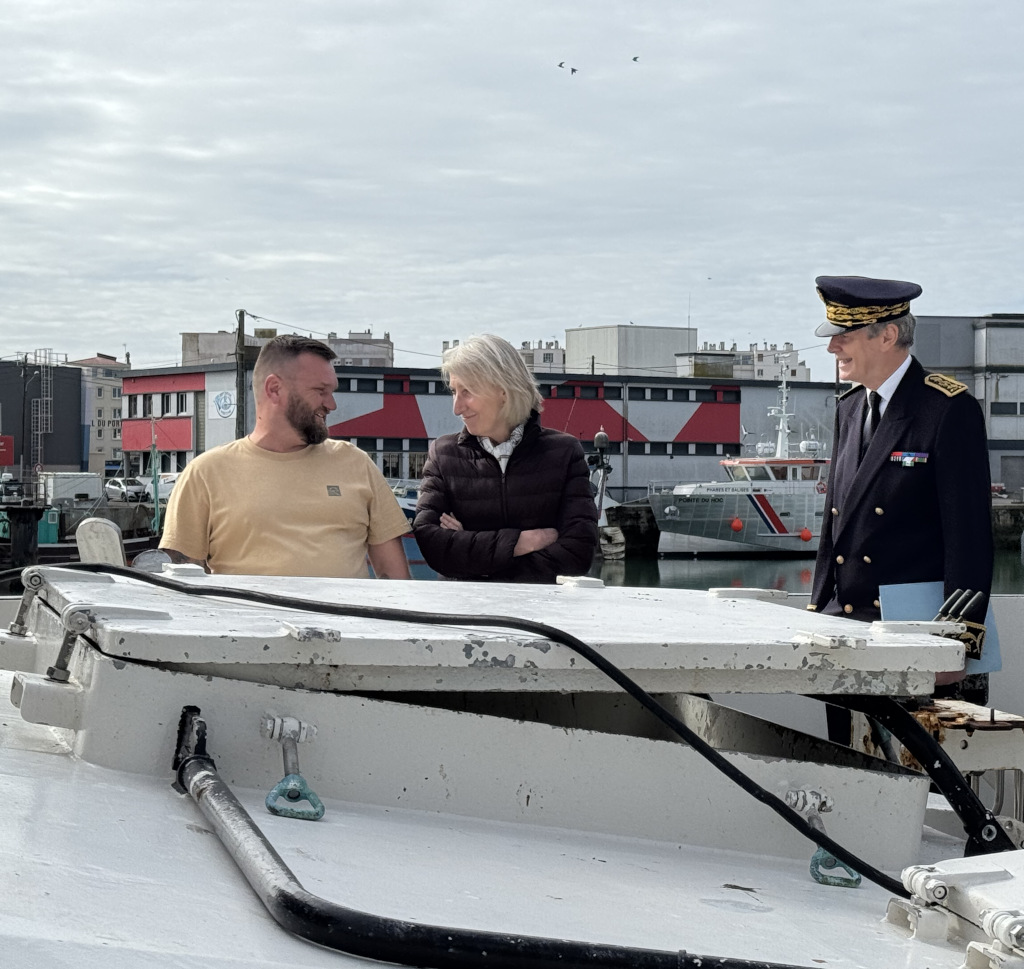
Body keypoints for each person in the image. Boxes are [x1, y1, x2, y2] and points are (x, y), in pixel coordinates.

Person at [808, 275, 993, 691]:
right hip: (845, 632)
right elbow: (834, 528)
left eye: (845, 335)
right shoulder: (851, 408)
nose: (832, 347)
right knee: (841, 756)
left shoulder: (946, 409)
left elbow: (970, 538)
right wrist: (817, 610)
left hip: (917, 640)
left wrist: (957, 641)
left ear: (888, 335)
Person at [161, 334, 411, 579]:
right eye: (321, 391)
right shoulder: (205, 474)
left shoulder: (357, 463)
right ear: (275, 389)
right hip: (247, 620)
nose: (332, 404)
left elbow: (396, 580)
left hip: (347, 620)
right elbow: (182, 587)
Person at [413, 334, 598, 582]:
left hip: (540, 613)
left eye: (467, 391)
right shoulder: (444, 454)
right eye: (454, 391)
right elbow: (433, 545)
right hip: (466, 614)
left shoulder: (564, 453)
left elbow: (578, 554)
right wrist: (523, 542)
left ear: (503, 390)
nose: (457, 408)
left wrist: (473, 554)